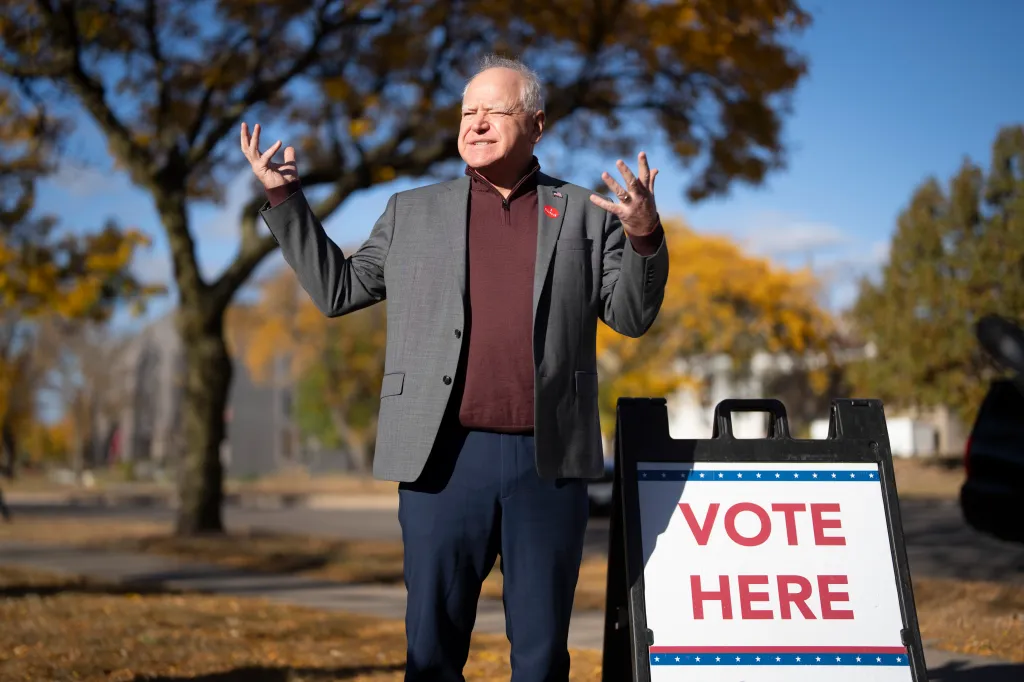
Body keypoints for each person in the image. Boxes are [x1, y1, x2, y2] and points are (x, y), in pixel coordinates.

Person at [242, 54, 669, 682]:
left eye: (493, 110)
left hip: (546, 463)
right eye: (467, 112)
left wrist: (643, 237)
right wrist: (285, 198)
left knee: (543, 658)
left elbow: (631, 316)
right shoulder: (411, 210)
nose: (475, 123)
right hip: (441, 459)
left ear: (536, 124)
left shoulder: (583, 211)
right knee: (432, 654)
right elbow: (340, 291)